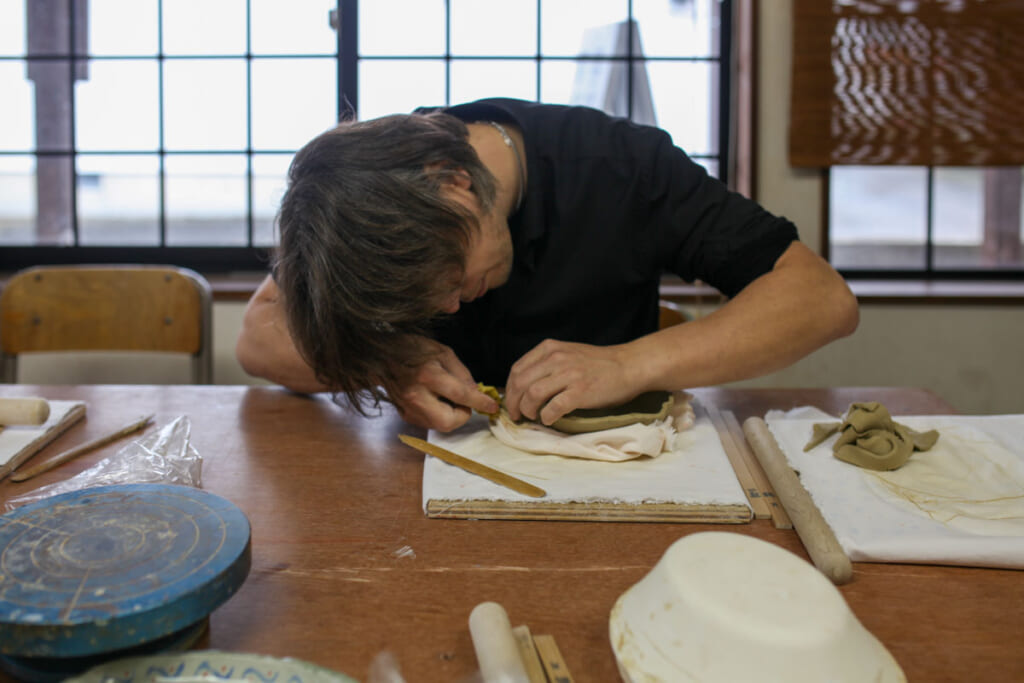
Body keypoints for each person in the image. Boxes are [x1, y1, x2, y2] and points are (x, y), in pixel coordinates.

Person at [236, 98, 859, 432]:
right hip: (439, 483)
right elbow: (258, 337)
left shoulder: (621, 166)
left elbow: (821, 299)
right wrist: (391, 365)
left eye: (451, 278)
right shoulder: (368, 193)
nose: (451, 307)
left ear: (457, 184)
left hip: (616, 477)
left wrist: (632, 362)